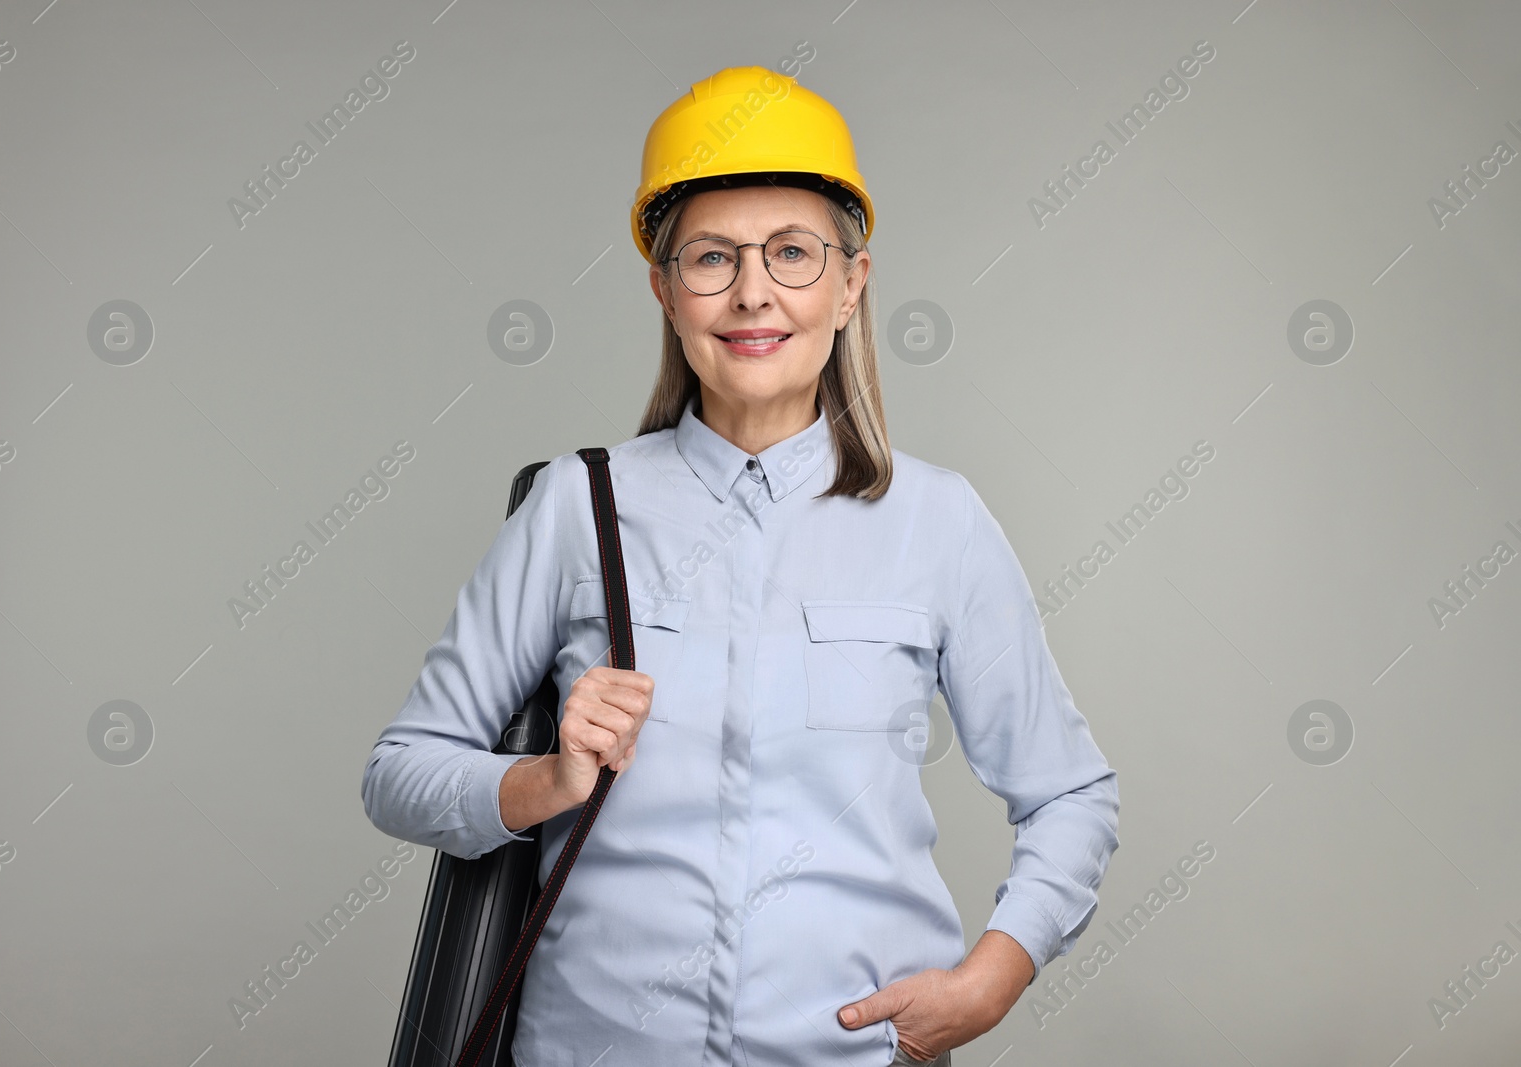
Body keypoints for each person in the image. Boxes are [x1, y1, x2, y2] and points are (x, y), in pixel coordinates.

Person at [361, 65, 1119, 1067]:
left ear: (850, 285)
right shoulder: (573, 508)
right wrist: (547, 777)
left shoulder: (937, 520)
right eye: (712, 257)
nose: (752, 290)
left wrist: (993, 975)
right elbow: (399, 774)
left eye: (792, 254)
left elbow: (1069, 793)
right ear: (663, 290)